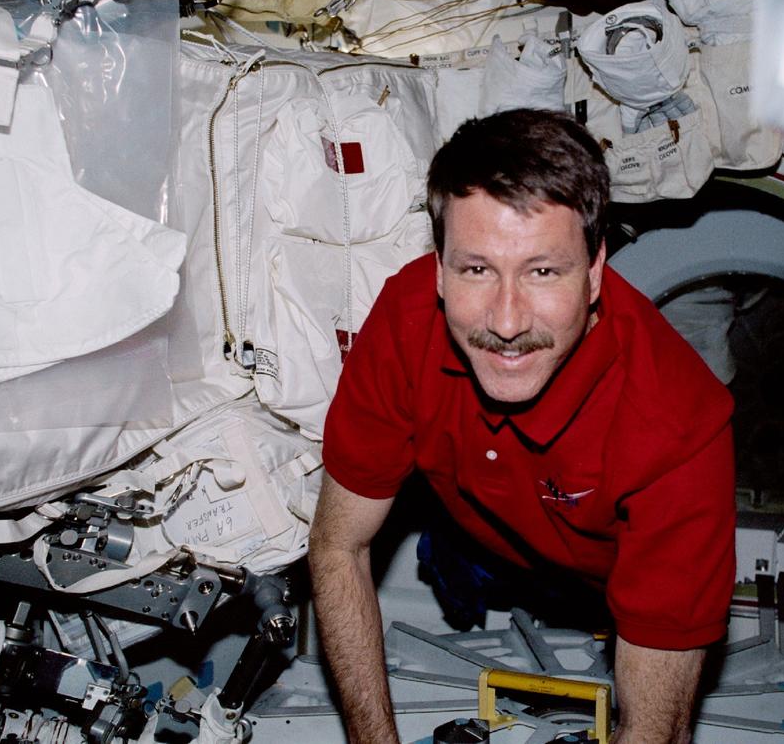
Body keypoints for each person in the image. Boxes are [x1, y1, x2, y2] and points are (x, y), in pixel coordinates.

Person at [308, 108, 735, 744]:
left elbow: (656, 734)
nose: (506, 322)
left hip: (608, 579)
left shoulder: (677, 425)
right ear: (439, 272)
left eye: (543, 271)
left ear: (594, 273)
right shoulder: (405, 318)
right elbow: (339, 546)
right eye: (476, 269)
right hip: (472, 528)